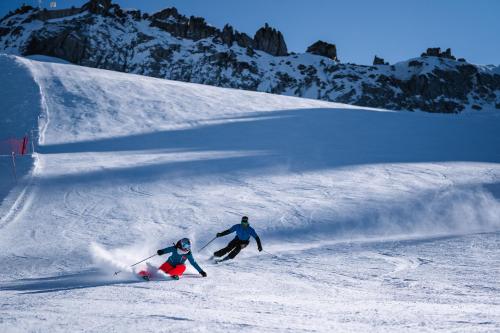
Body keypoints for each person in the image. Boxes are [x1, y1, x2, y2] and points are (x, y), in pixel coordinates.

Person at [139, 238, 207, 280]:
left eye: (189, 246)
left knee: (183, 267)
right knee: (158, 272)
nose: (187, 248)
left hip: (179, 267)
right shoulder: (175, 248)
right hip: (168, 264)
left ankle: (173, 275)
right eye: (186, 246)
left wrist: (201, 271)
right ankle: (144, 274)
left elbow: (193, 263)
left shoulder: (188, 254)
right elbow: (167, 250)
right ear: (181, 244)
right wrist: (161, 251)